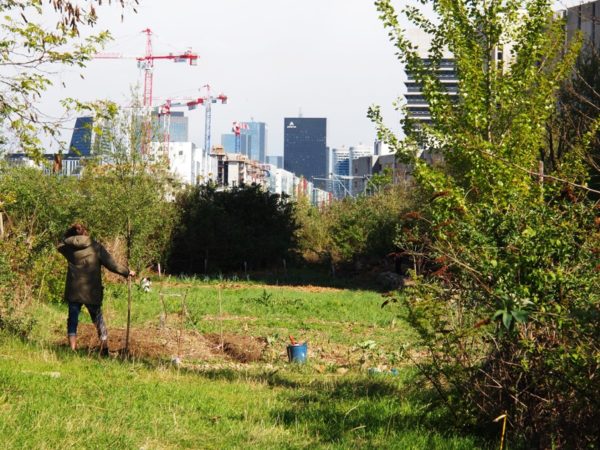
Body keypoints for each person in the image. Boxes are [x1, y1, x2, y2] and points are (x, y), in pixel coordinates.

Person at [57, 223, 135, 355]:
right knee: (98, 318)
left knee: (73, 319)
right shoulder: (96, 247)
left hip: (74, 290)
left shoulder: (68, 248)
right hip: (91, 290)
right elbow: (112, 265)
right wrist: (127, 272)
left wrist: (67, 238)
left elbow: (59, 245)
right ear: (86, 233)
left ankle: (72, 349)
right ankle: (104, 348)